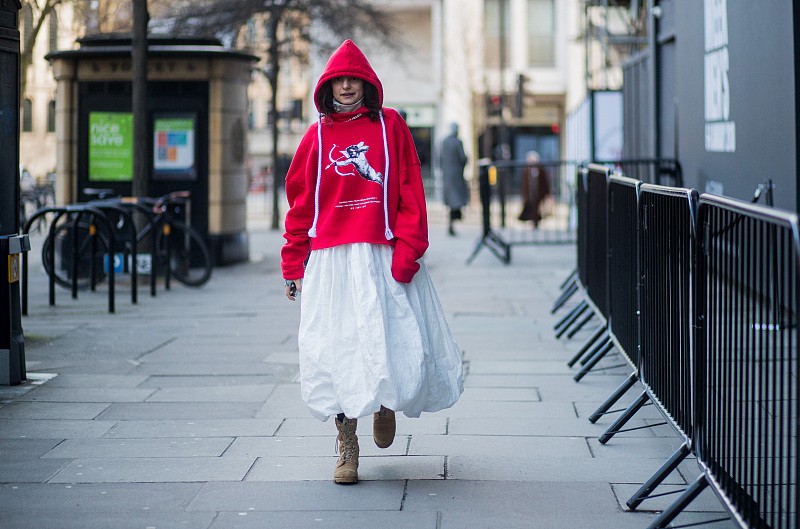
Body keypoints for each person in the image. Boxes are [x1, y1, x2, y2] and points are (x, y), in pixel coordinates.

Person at [280, 40, 464, 485]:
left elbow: (410, 191)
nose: (346, 86)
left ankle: (384, 402)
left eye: (354, 79)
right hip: (330, 262)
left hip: (382, 254)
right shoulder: (316, 136)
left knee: (389, 338)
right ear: (327, 86)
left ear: (366, 83)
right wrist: (292, 264)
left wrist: (408, 252)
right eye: (339, 80)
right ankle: (348, 445)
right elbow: (300, 205)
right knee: (336, 348)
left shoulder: (392, 125)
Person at [438, 122, 469, 236]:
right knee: (456, 202)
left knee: (452, 202)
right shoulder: (458, 142)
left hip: (447, 177)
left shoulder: (444, 142)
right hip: (456, 177)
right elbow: (463, 158)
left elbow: (439, 159)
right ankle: (452, 224)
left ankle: (451, 224)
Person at [517, 150, 552, 227]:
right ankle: (531, 222)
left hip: (538, 192)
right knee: (529, 208)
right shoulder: (526, 170)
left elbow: (545, 182)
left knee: (537, 208)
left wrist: (548, 194)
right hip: (529, 193)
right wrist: (523, 194)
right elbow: (523, 183)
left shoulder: (541, 169)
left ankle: (535, 223)